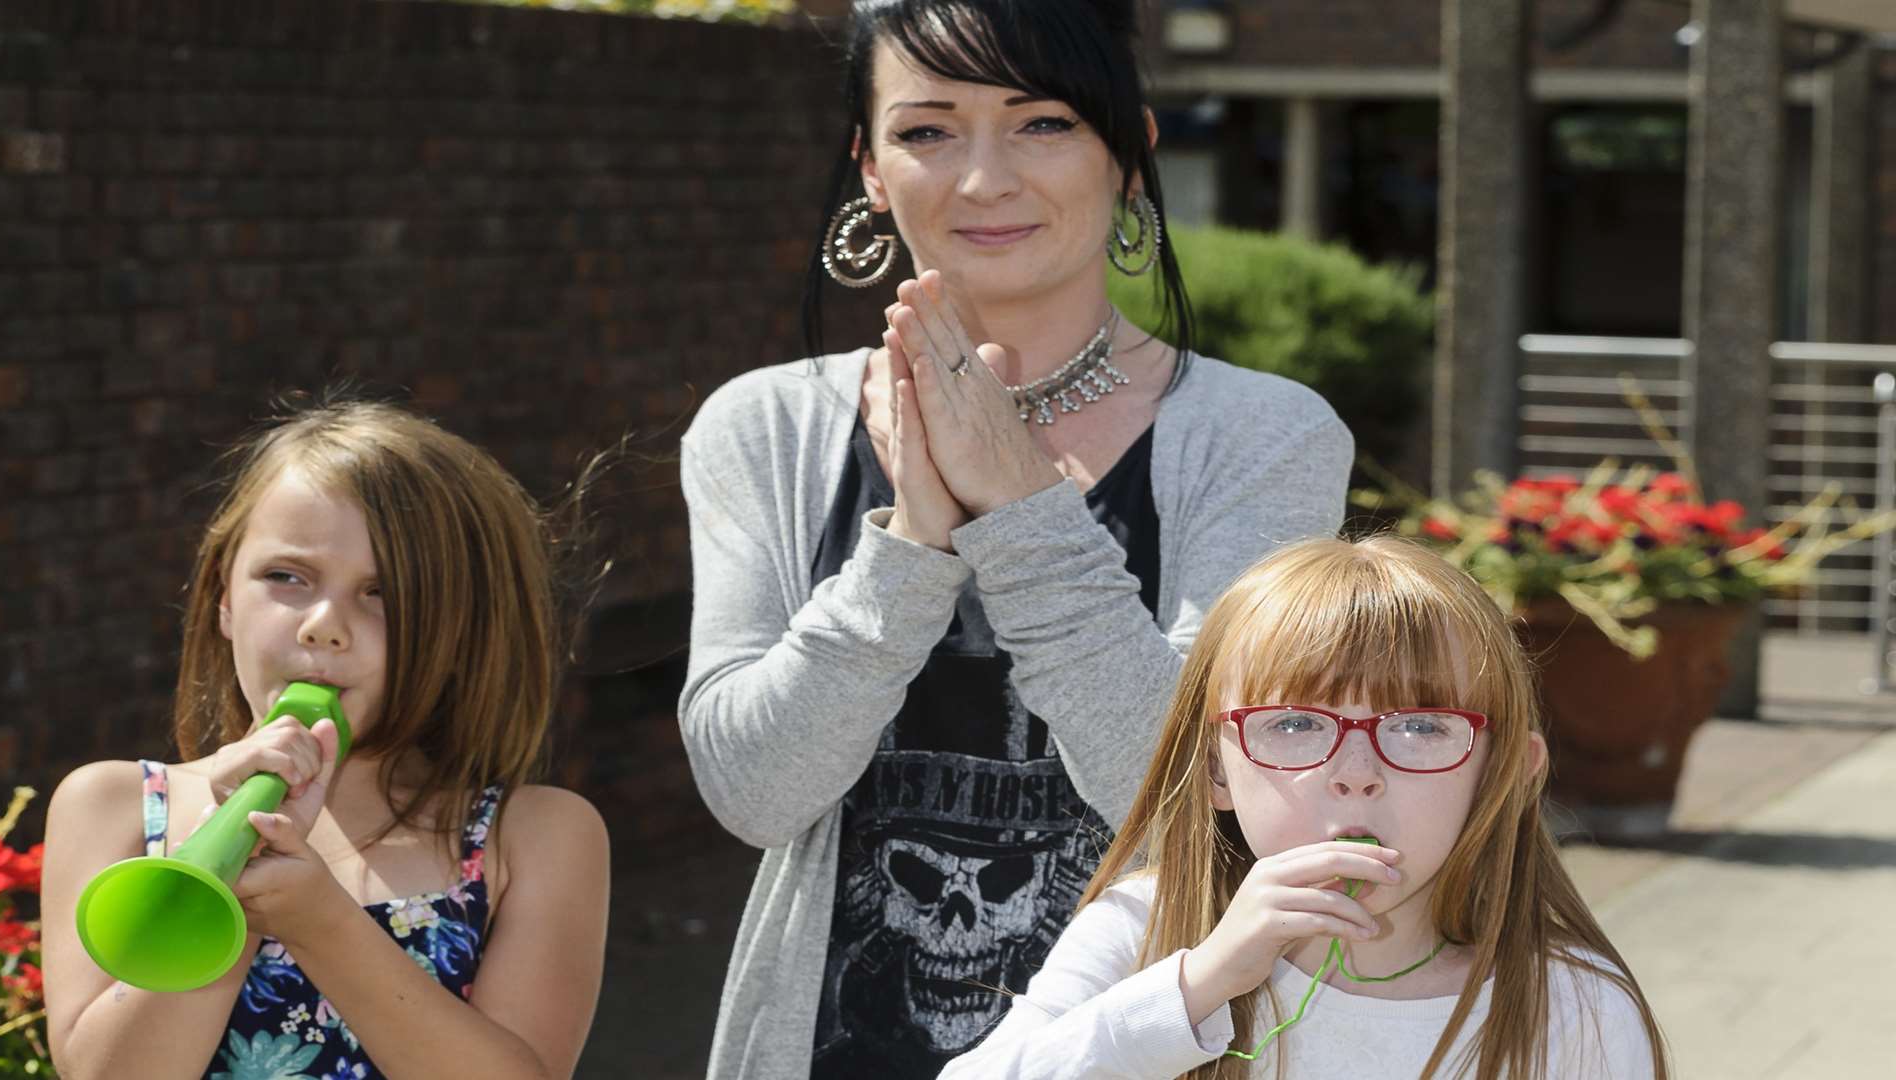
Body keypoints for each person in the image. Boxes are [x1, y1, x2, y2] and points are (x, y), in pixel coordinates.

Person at [677, 1, 1353, 1075]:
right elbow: (754, 793)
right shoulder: (765, 428)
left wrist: (1021, 510)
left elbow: (1190, 794)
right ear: (868, 166)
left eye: (1041, 124)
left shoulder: (1264, 439)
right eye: (927, 130)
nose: (983, 177)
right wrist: (913, 544)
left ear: (1130, 152)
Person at [936, 536, 1670, 1079]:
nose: (1358, 773)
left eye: (1420, 726)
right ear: (1215, 769)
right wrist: (1201, 984)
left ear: (1505, 775)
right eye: (1294, 724)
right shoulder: (1142, 935)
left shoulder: (1572, 1006)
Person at [42, 399, 612, 1080]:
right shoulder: (113, 807)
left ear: (463, 632)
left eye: (383, 593)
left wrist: (322, 924)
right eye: (287, 577)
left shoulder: (535, 834)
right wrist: (224, 883)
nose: (323, 625)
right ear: (223, 596)